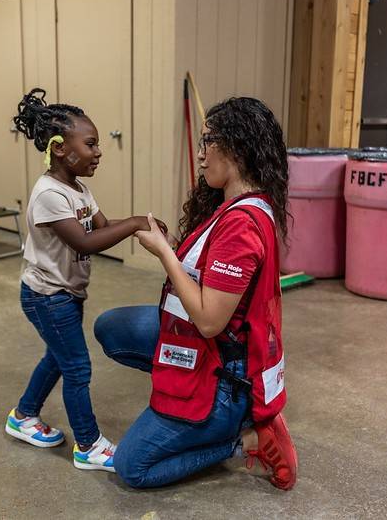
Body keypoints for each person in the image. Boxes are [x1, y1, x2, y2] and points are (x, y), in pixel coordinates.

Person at [94, 97, 298, 489]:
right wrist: (175, 250)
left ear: (236, 148)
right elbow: (209, 279)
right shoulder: (239, 206)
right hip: (220, 347)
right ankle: (183, 414)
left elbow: (208, 320)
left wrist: (165, 254)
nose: (201, 155)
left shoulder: (241, 226)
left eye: (208, 143)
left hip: (225, 371)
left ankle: (245, 436)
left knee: (132, 466)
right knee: (112, 328)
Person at [4, 88, 167, 473]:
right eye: (91, 143)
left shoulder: (78, 189)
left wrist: (140, 225)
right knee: (77, 367)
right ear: (60, 147)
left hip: (67, 293)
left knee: (58, 358)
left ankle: (23, 416)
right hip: (47, 295)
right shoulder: (48, 194)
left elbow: (103, 226)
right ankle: (89, 445)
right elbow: (85, 241)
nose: (98, 151)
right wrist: (134, 224)